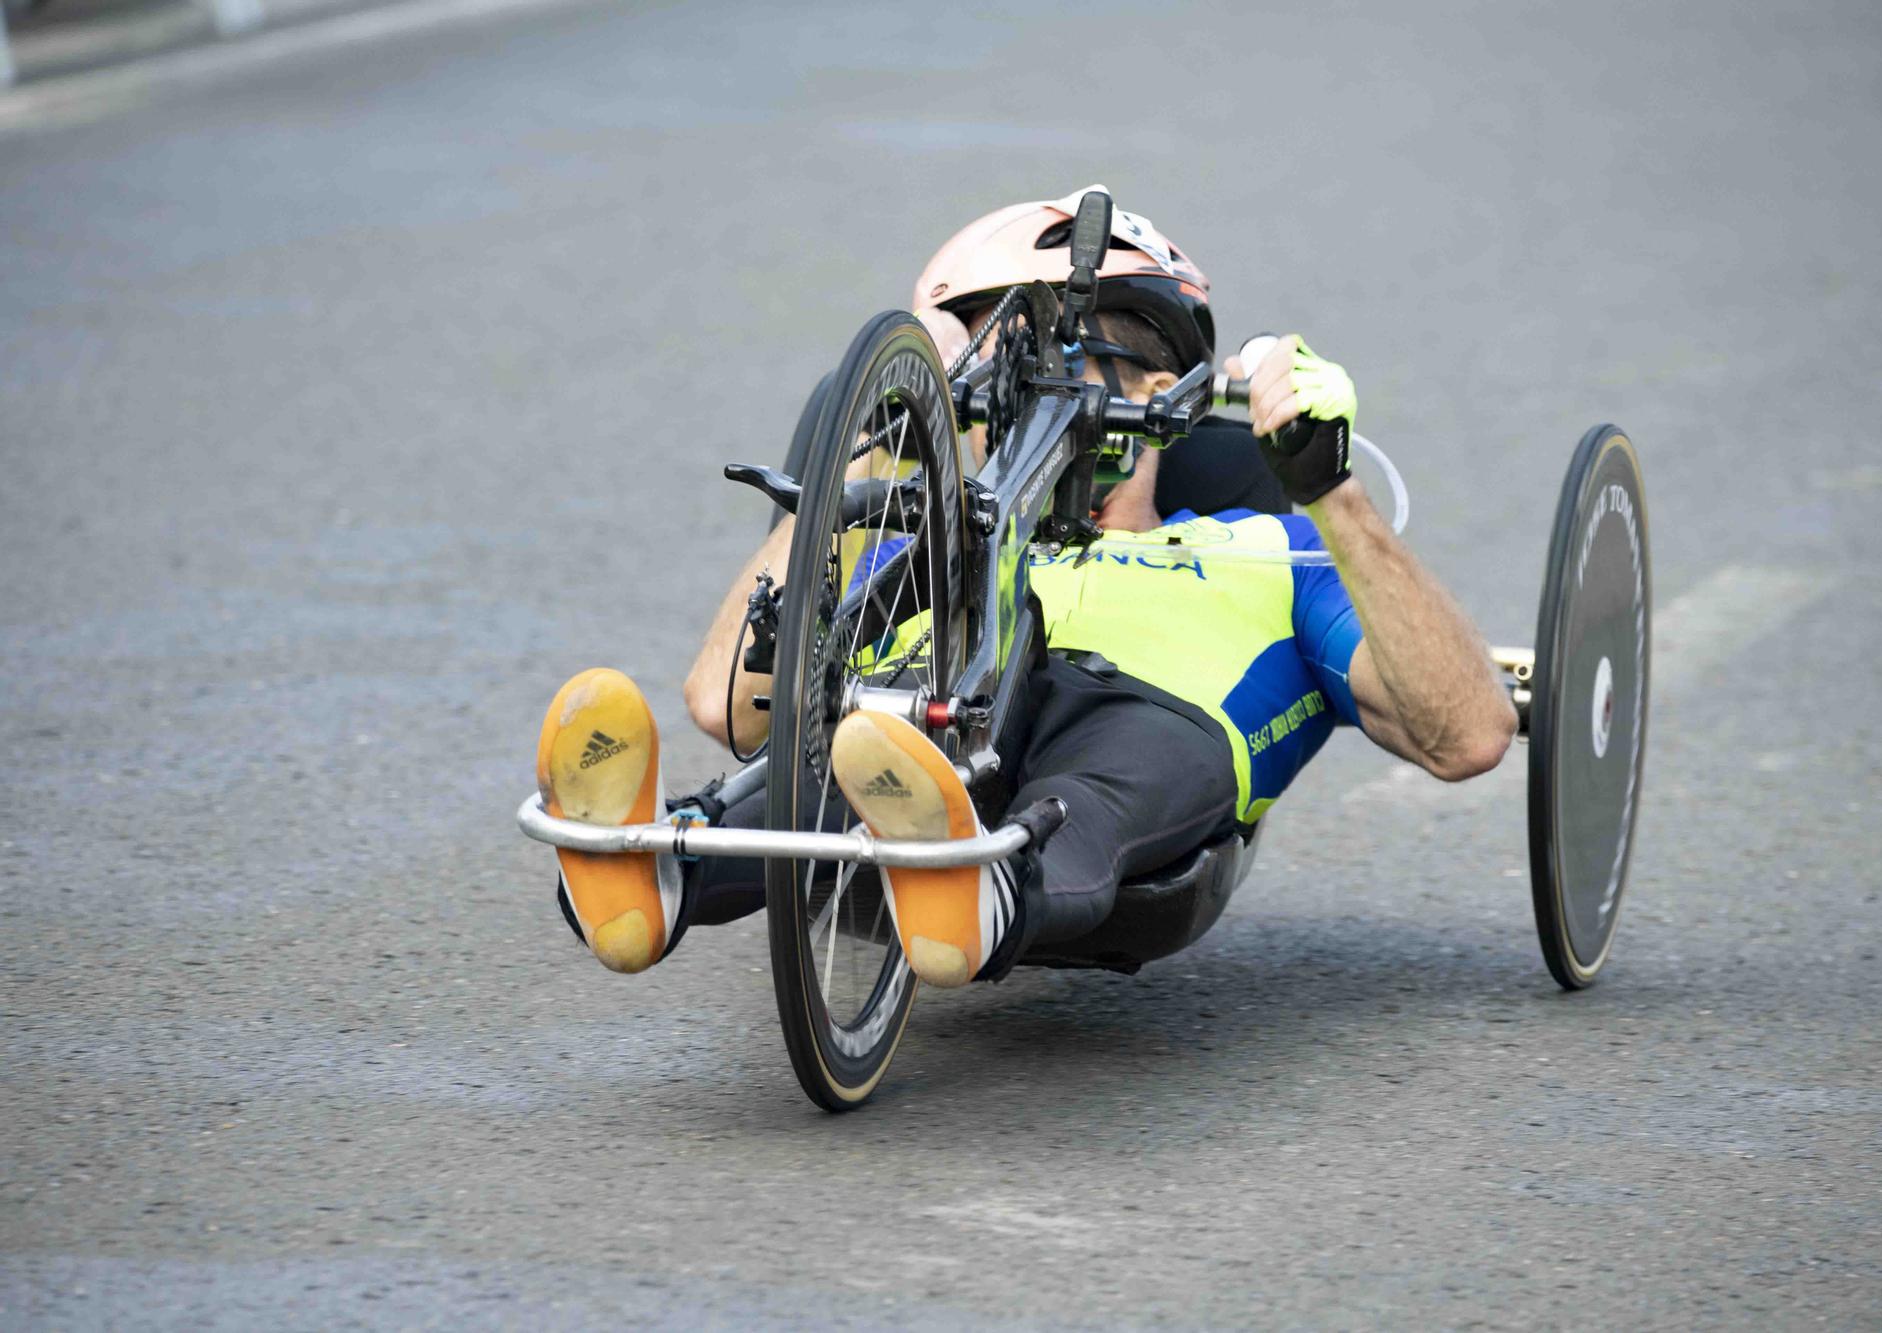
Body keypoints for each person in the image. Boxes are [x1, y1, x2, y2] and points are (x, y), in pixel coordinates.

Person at [532, 189, 1519, 984]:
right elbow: (730, 703)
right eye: (1029, 345)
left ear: (1176, 391)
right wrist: (871, 440)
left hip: (1146, 731)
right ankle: (654, 874)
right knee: (841, 760)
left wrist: (1329, 490)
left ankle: (986, 883)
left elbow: (1467, 730)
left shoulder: (1270, 544)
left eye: (1119, 346)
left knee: (1109, 769)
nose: (1079, 372)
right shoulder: (907, 542)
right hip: (922, 726)